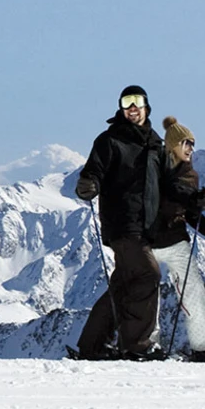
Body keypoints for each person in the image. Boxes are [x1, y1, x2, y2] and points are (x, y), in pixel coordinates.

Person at [73, 86, 173, 360]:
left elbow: (165, 185)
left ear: (146, 107)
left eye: (137, 102)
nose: (132, 107)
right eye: (127, 102)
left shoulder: (155, 144)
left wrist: (190, 200)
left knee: (124, 284)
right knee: (147, 274)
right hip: (123, 223)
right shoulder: (110, 141)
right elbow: (93, 170)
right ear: (121, 108)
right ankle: (136, 346)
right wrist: (88, 184)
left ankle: (91, 346)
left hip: (146, 227)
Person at [148, 116, 205, 361]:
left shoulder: (191, 175)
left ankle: (204, 348)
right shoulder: (154, 169)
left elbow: (190, 213)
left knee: (192, 291)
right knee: (147, 292)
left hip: (176, 239)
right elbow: (164, 198)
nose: (190, 148)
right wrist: (189, 200)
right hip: (150, 240)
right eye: (185, 143)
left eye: (192, 143)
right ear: (172, 145)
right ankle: (147, 345)